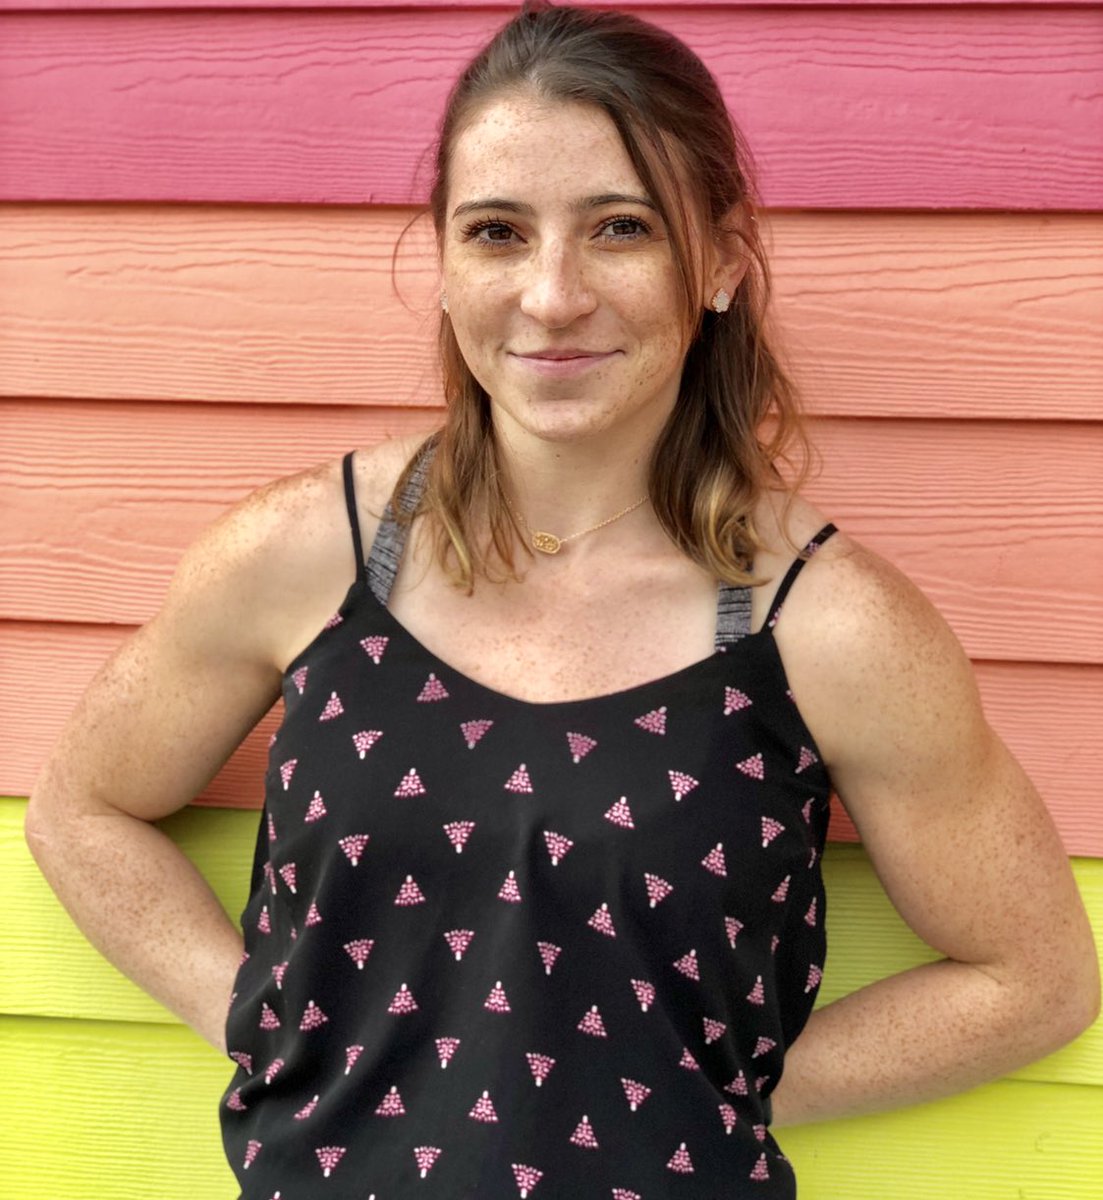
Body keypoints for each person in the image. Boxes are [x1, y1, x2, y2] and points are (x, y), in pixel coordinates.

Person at [24, 3, 1099, 1197]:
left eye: (620, 229)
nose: (550, 296)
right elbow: (82, 809)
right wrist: (264, 1020)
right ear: (441, 262)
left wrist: (710, 1085)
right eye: (496, 232)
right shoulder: (307, 554)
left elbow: (1035, 977)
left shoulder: (825, 627)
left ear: (724, 261)